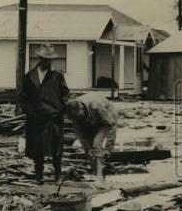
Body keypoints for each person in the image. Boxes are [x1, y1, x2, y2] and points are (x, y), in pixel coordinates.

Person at [20, 44, 69, 184]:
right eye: (45, 59)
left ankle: (58, 175)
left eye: (50, 60)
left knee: (56, 148)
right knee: (37, 147)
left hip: (54, 118)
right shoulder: (30, 76)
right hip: (36, 118)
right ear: (39, 58)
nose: (48, 62)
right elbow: (23, 98)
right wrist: (30, 111)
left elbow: (65, 94)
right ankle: (39, 175)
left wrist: (59, 110)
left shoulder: (57, 75)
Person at [66, 91, 120, 179]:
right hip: (91, 121)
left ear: (81, 108)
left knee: (96, 143)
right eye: (76, 118)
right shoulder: (75, 114)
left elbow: (111, 126)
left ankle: (99, 176)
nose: (78, 119)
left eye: (79, 116)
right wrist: (87, 149)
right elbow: (81, 135)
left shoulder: (98, 106)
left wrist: (108, 148)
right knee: (91, 150)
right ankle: (95, 173)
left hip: (107, 120)